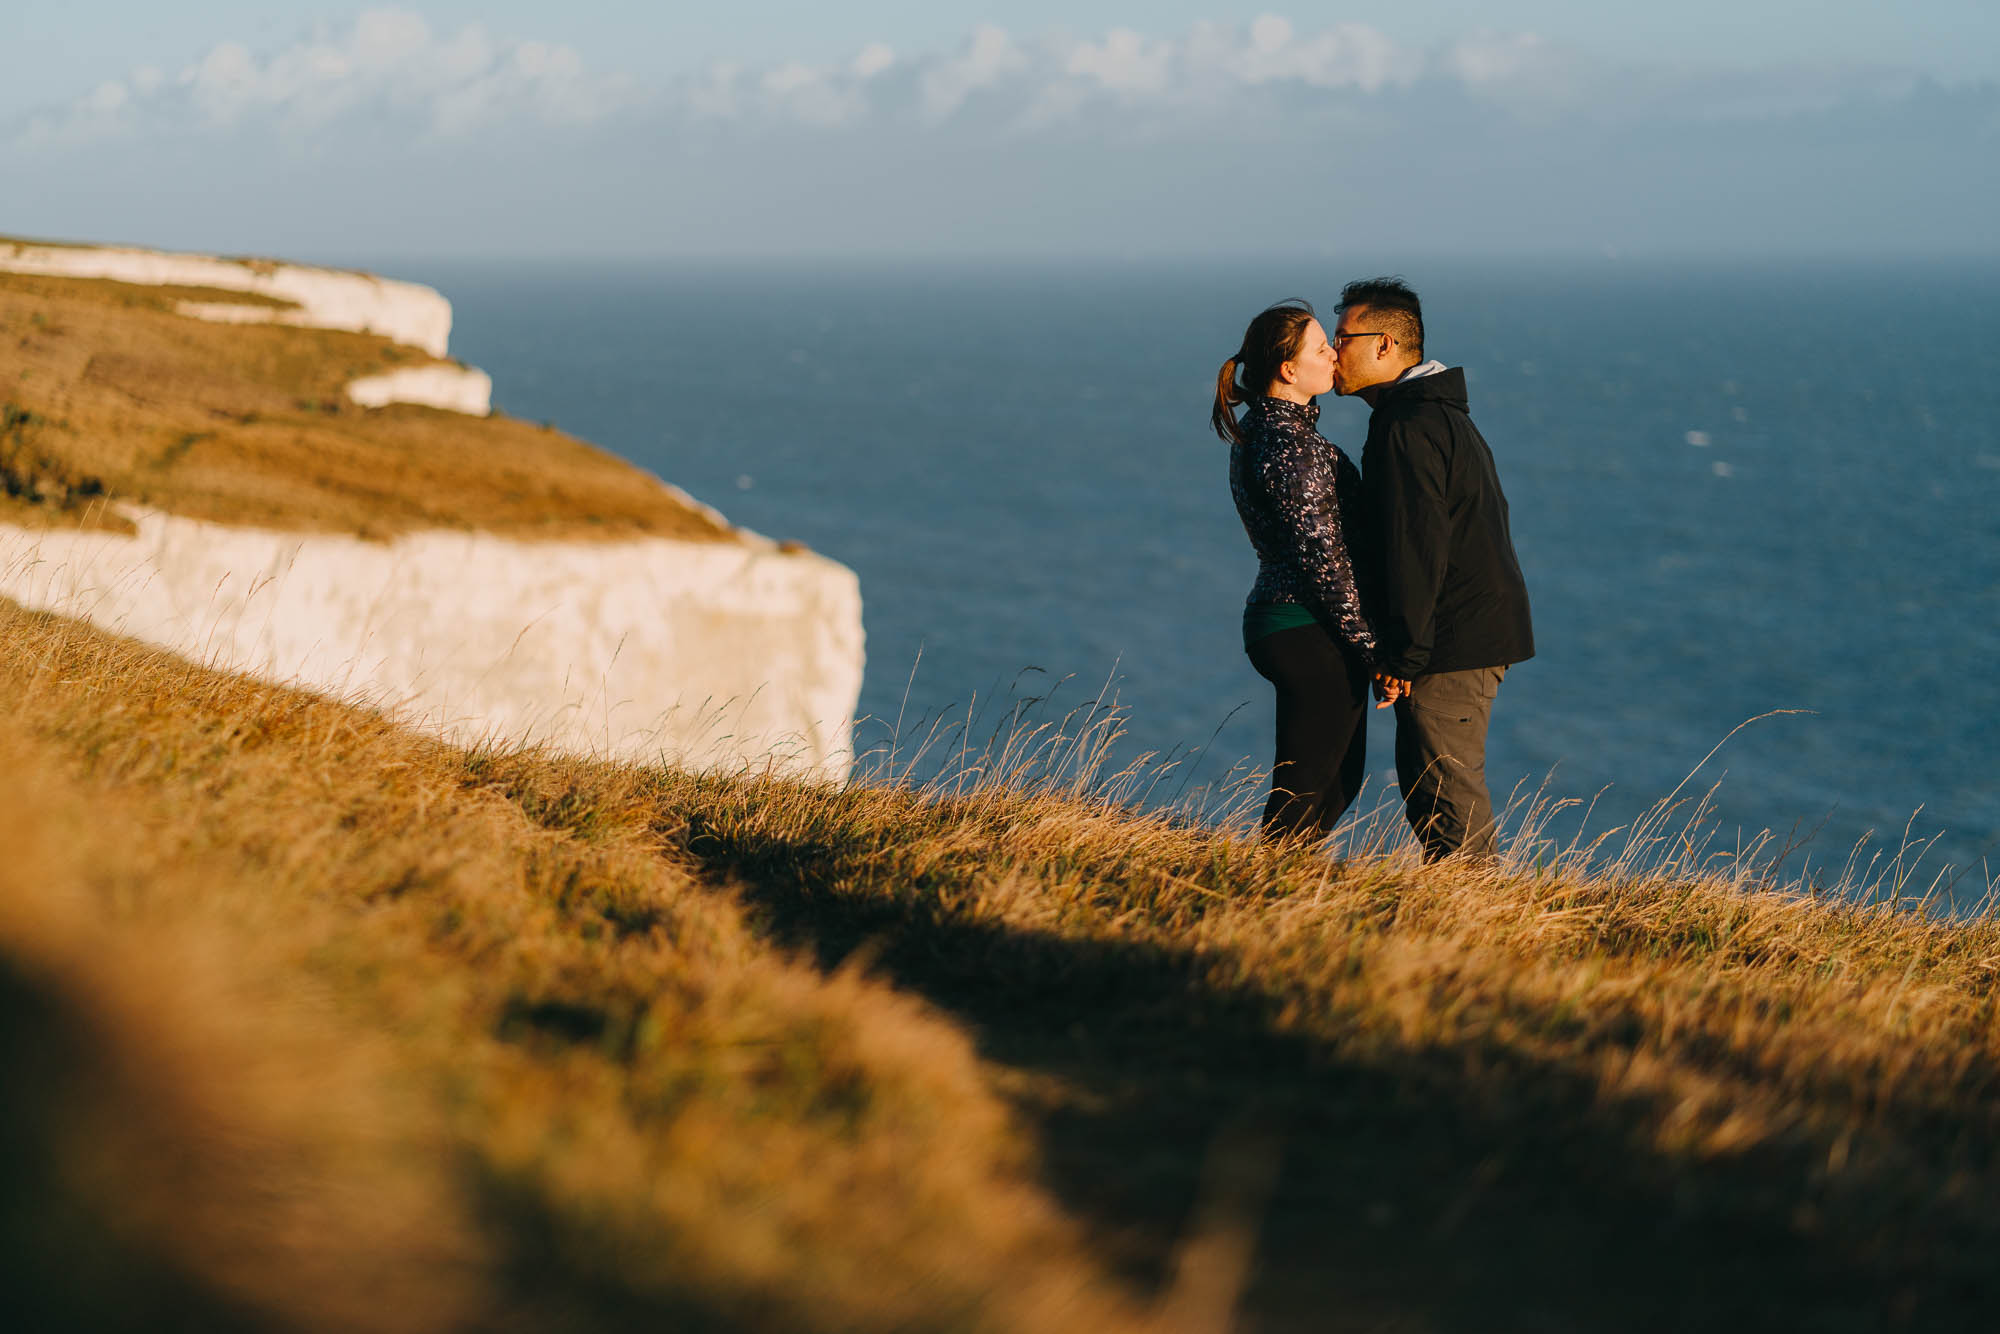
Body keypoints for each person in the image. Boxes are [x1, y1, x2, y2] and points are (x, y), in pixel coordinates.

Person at [1329, 277, 1534, 862]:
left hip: (1452, 638)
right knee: (1433, 787)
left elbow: (1416, 549)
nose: (1332, 352)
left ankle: (1482, 928)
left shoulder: (1408, 426)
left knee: (1444, 792)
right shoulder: (1434, 416)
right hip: (1467, 631)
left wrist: (1404, 656)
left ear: (1386, 345)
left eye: (1343, 338)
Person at [1214, 300, 1378, 840]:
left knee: (1333, 782)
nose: (1334, 353)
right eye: (1320, 347)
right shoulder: (1290, 446)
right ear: (1289, 369)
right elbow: (1323, 561)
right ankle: (1262, 894)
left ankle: (1286, 889)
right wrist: (1372, 648)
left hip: (1286, 621)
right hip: (1304, 625)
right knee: (1309, 786)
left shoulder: (1264, 433)